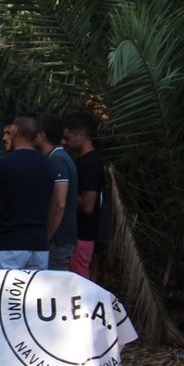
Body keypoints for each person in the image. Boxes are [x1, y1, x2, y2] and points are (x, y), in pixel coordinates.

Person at [0, 114, 56, 270]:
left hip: (9, 247)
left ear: (15, 130)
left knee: (3, 293)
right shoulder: (48, 165)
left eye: (8, 132)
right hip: (39, 247)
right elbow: (55, 205)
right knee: (34, 293)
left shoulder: (3, 165)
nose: (4, 137)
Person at [64, 113, 104, 278]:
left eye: (68, 138)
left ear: (81, 134)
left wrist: (63, 192)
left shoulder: (90, 163)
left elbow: (88, 205)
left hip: (82, 235)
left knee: (78, 281)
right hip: (76, 235)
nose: (65, 143)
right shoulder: (80, 161)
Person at [37, 113, 77, 271]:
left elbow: (59, 203)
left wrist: (47, 236)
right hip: (58, 239)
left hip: (57, 240)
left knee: (53, 289)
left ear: (42, 135)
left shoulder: (57, 160)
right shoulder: (56, 158)